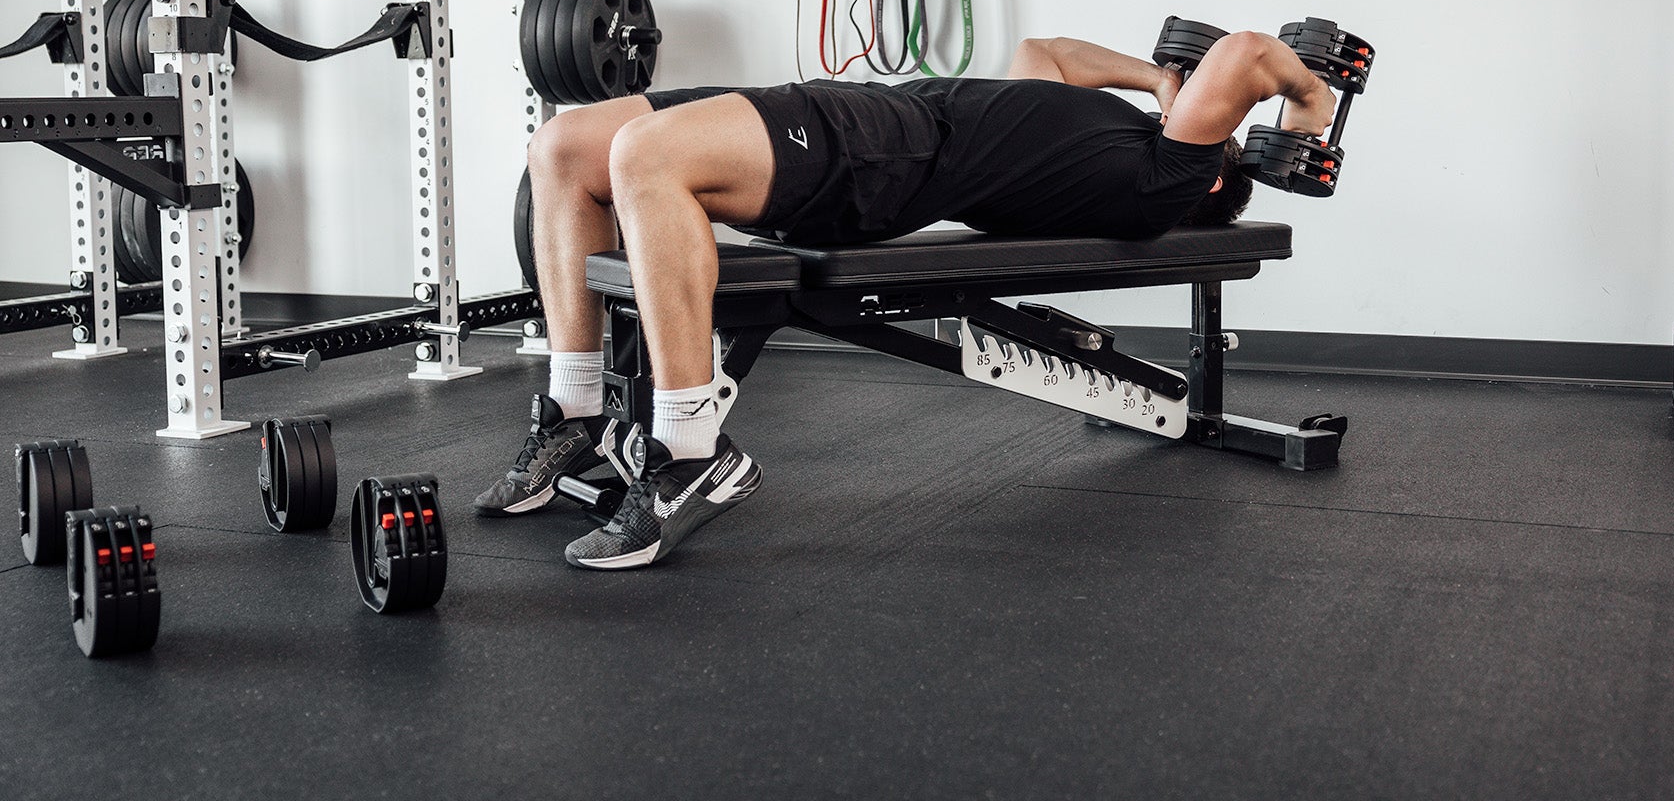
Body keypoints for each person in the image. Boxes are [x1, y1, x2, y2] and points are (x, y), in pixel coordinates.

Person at [473, 31, 1338, 569]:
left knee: (645, 159)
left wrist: (1306, 100)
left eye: (1203, 122)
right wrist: (1156, 81)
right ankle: (575, 409)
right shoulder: (1122, 136)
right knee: (563, 147)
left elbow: (1249, 53)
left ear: (1213, 165)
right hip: (866, 116)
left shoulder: (1165, 179)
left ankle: (692, 446)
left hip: (889, 156)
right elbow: (1047, 57)